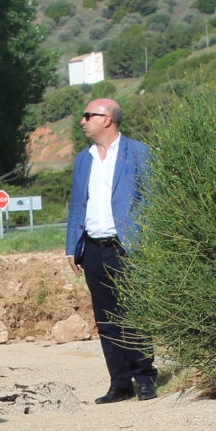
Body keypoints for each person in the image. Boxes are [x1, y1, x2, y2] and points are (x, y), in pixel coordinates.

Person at [65, 98, 157, 403]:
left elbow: (152, 196)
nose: (82, 120)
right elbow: (78, 203)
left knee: (134, 312)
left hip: (127, 245)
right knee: (106, 316)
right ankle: (119, 382)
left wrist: (146, 238)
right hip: (93, 247)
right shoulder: (84, 159)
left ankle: (144, 376)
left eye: (88, 115)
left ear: (107, 119)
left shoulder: (138, 152)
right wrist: (71, 248)